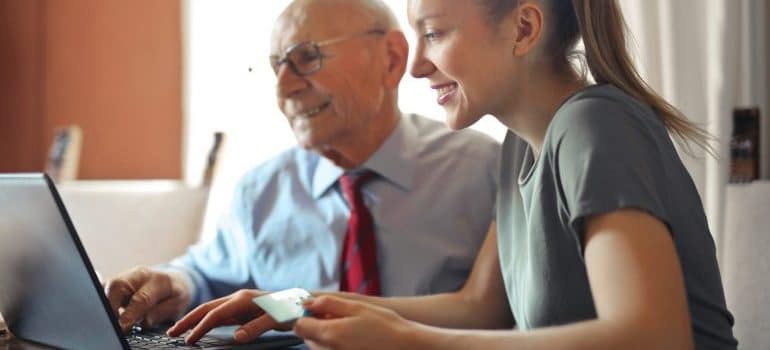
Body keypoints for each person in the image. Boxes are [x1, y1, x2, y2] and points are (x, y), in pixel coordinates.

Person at [169, 0, 739, 349]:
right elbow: (479, 307)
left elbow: (653, 338)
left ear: (523, 28)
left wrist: (407, 342)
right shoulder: (521, 145)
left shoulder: (594, 128)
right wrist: (291, 304)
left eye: (435, 33)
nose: (415, 65)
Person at [103, 0, 500, 338]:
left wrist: (289, 306)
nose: (283, 88)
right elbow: (206, 274)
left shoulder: (487, 172)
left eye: (307, 57)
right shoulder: (261, 190)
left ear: (392, 59)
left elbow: (495, 312)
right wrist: (175, 284)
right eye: (277, 66)